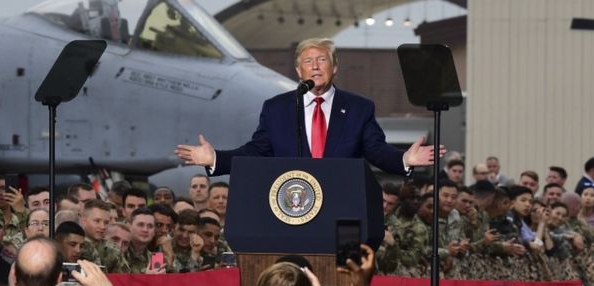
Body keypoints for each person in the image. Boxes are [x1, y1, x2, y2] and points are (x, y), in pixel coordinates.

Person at [175, 38, 442, 176]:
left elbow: (376, 150)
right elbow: (256, 151)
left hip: (339, 203)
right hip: (290, 204)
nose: (315, 66)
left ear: (334, 67)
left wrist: (404, 159)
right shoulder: (277, 108)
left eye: (322, 59)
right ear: (297, 70)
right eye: (307, 61)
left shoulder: (359, 108)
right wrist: (216, 159)